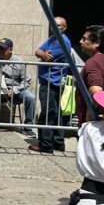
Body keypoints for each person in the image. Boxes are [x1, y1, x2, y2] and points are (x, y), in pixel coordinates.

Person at [30, 16, 78, 155]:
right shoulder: (52, 39)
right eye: (53, 24)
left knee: (47, 114)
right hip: (50, 81)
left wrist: (42, 54)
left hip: (52, 81)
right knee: (55, 114)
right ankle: (58, 143)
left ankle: (46, 145)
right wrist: (41, 53)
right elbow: (38, 51)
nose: (54, 27)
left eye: (58, 25)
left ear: (64, 27)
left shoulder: (62, 41)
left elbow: (47, 56)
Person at [0, 38, 37, 137]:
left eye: (3, 49)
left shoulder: (18, 61)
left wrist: (15, 90)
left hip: (15, 91)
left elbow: (26, 81)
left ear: (10, 50)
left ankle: (28, 128)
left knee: (30, 97)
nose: (0, 51)